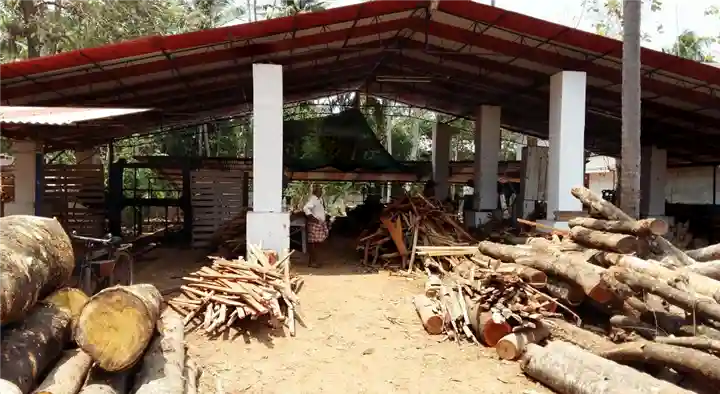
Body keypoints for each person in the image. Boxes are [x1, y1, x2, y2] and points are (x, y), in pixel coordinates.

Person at [303, 185, 328, 267]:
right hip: (315, 223)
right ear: (316, 191)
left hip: (319, 223)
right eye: (320, 190)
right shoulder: (313, 199)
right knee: (313, 243)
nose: (321, 192)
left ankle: (313, 261)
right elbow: (306, 208)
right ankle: (313, 261)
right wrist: (312, 217)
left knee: (316, 243)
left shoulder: (319, 199)